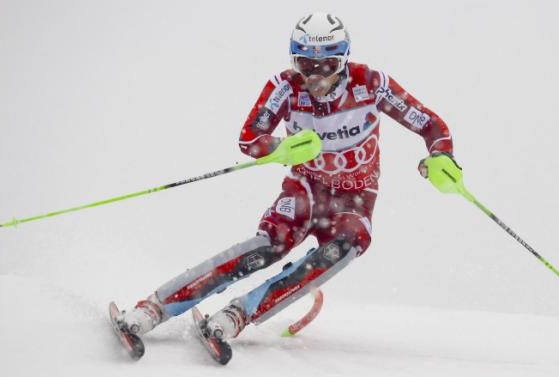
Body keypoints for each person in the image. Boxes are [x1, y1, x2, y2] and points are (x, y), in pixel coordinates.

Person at [116, 12, 455, 350]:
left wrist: (442, 155)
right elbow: (250, 137)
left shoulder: (371, 83)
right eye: (306, 65)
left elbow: (431, 125)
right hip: (308, 188)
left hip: (354, 197)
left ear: (344, 59)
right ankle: (153, 308)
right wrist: (280, 148)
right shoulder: (285, 87)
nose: (317, 76)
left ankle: (238, 314)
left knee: (348, 244)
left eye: (329, 65)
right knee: (270, 245)